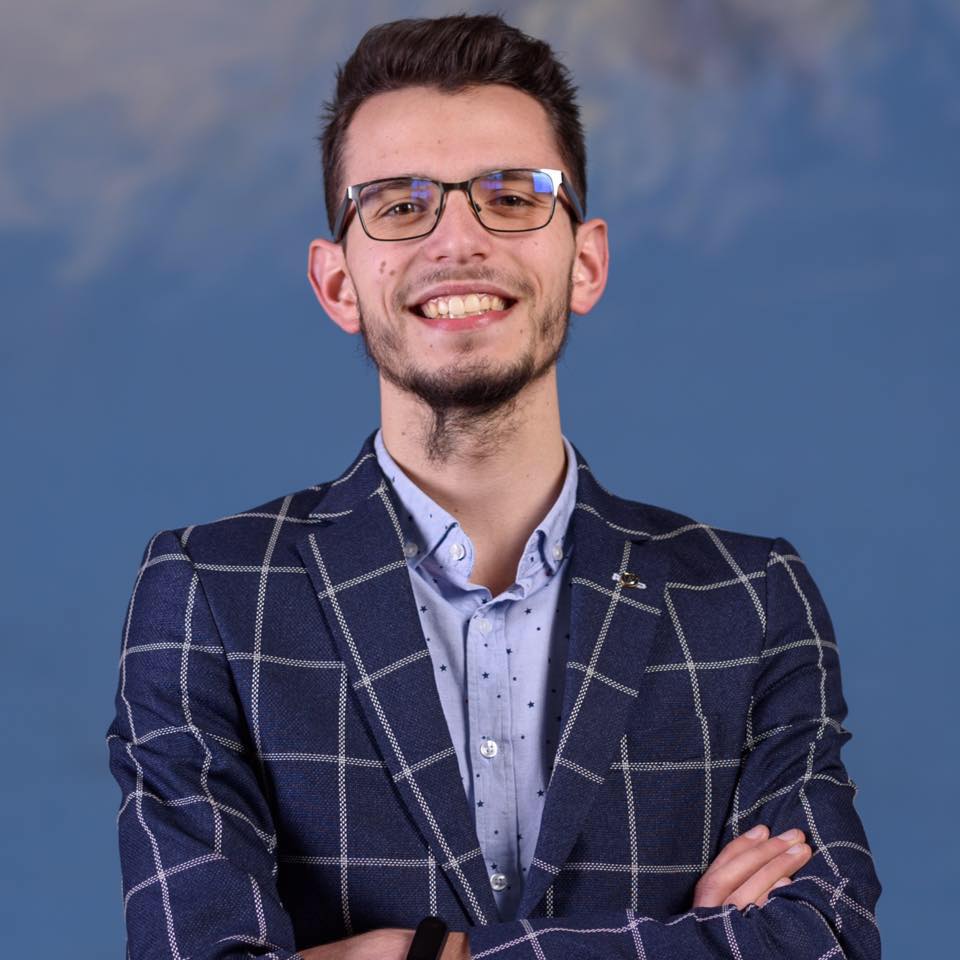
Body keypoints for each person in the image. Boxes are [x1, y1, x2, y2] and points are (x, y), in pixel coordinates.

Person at [106, 14, 881, 960]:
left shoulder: (752, 602)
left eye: (511, 197)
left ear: (585, 262)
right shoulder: (211, 594)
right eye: (399, 206)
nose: (458, 240)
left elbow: (824, 938)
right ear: (338, 284)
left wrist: (436, 954)